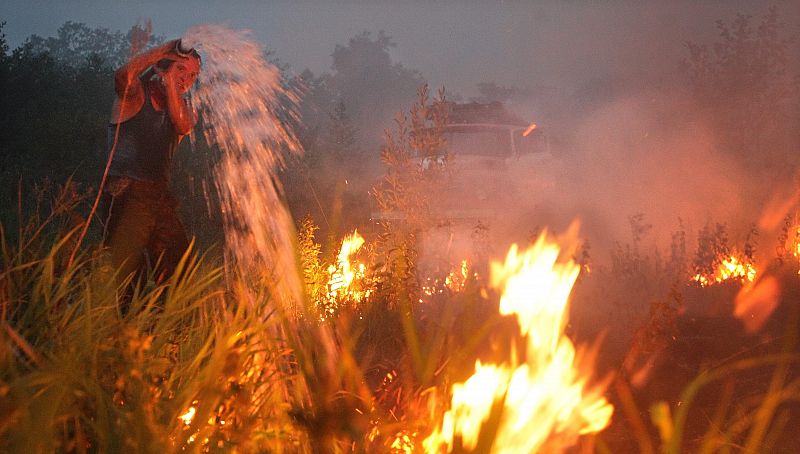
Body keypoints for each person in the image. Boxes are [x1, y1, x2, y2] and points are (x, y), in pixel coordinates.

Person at [101, 39, 200, 288]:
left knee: (180, 271)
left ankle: (165, 325)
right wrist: (162, 51)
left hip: (157, 198)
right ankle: (127, 323)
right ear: (162, 67)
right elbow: (122, 75)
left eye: (192, 75)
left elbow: (183, 125)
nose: (186, 79)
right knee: (128, 280)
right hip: (122, 193)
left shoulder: (185, 108)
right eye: (181, 70)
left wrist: (170, 86)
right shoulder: (135, 95)